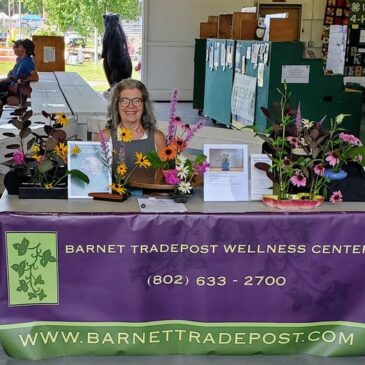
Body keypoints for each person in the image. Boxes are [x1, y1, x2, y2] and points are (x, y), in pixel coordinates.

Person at [97, 79, 166, 171]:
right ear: (116, 105)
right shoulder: (104, 138)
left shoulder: (157, 138)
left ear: (144, 105)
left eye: (137, 101)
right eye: (124, 101)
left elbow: (163, 178)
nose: (130, 106)